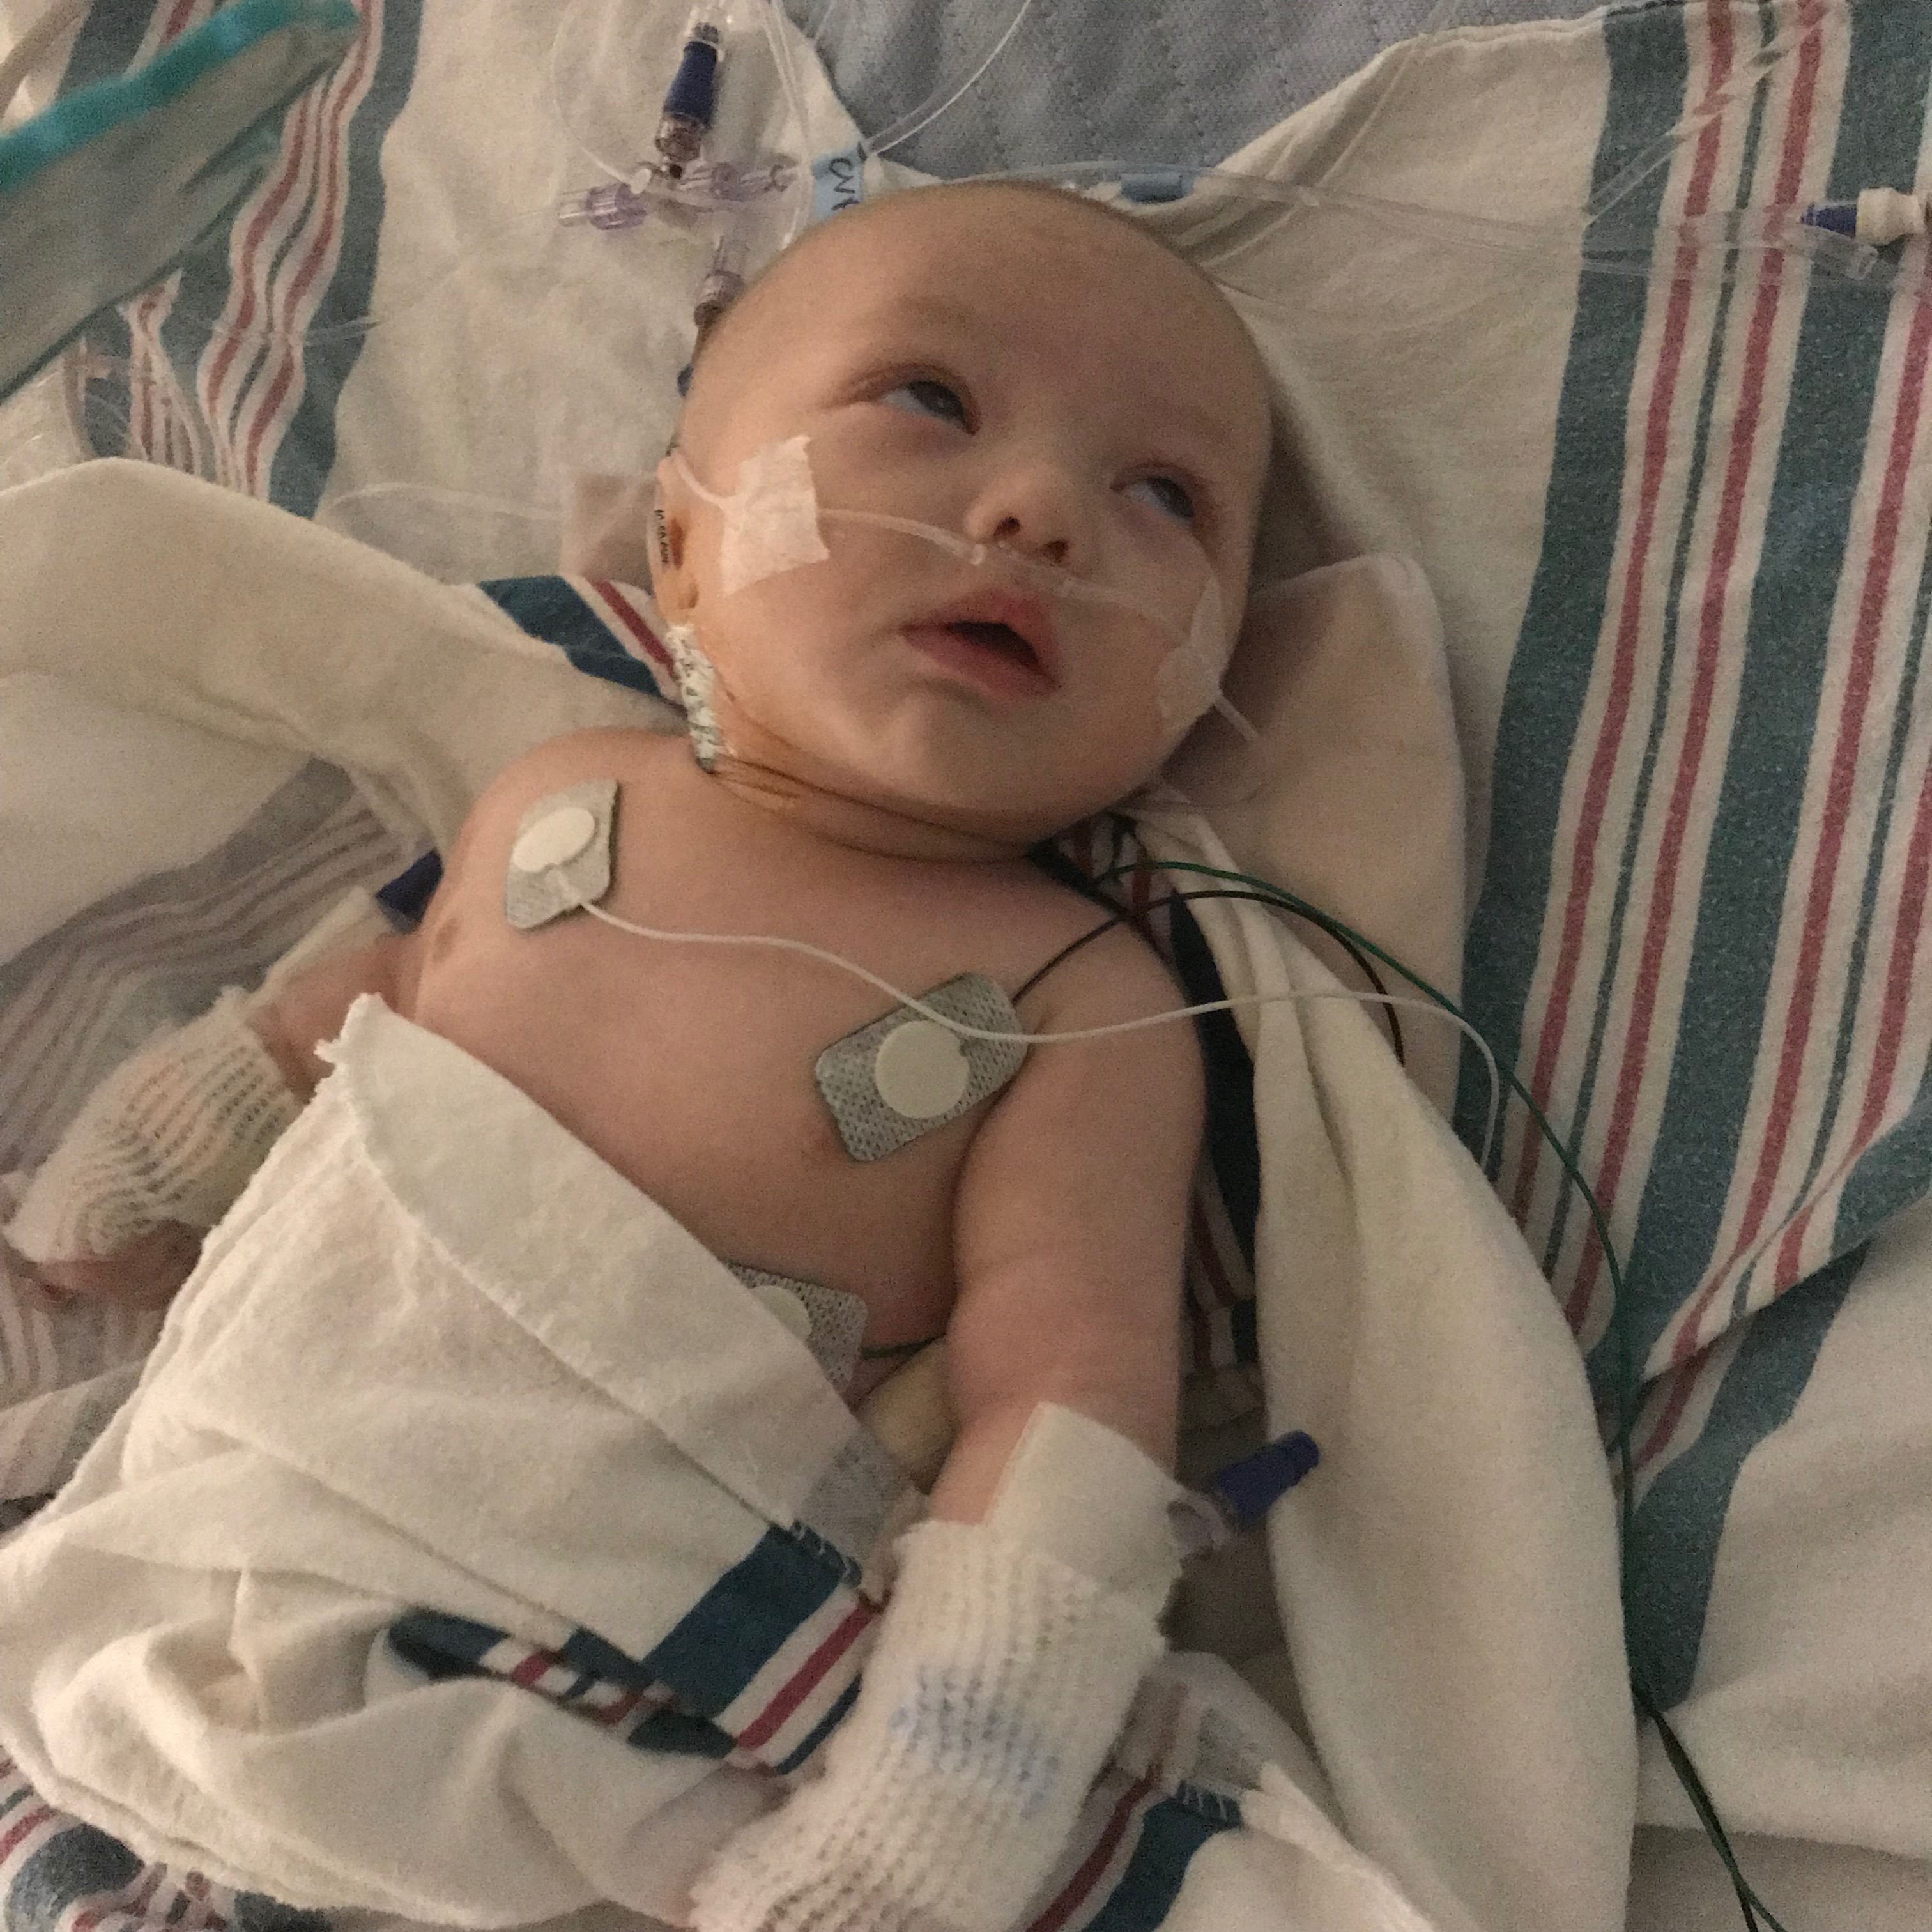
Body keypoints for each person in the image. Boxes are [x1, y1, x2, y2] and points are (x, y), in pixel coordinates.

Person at [3, 178, 1276, 1932]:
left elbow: (1063, 1410)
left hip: (583, 1655)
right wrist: (174, 1134)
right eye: (931, 399)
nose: (1040, 510)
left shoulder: (1076, 1001)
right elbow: (385, 1008)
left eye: (1167, 498)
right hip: (236, 1504)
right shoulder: (558, 798)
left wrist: (944, 1793)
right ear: (682, 549)